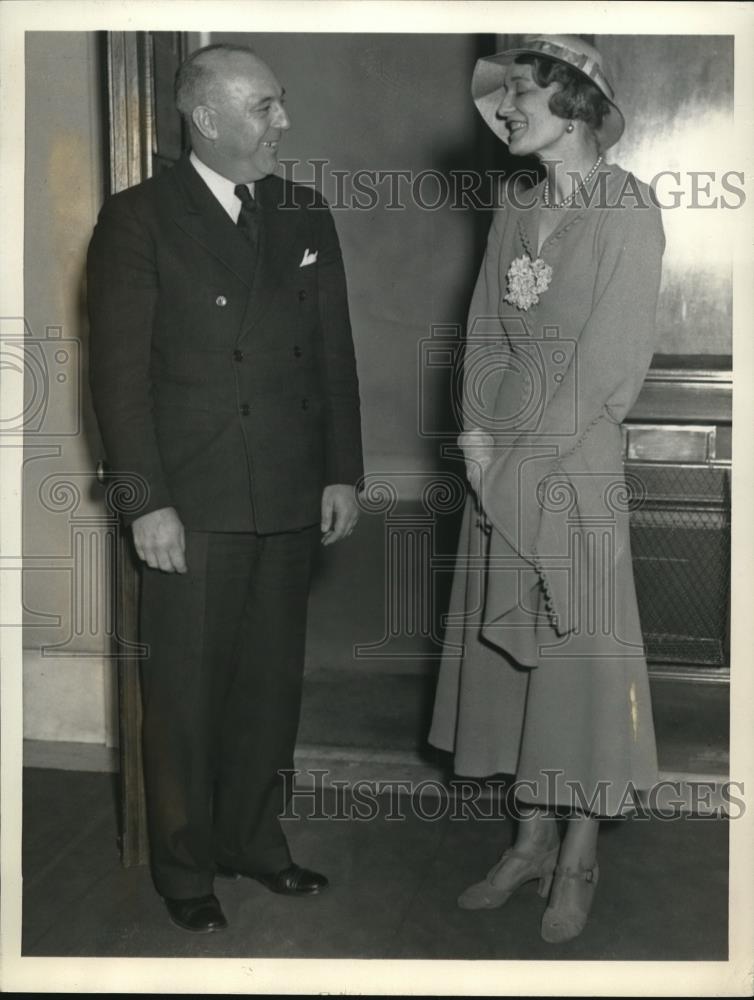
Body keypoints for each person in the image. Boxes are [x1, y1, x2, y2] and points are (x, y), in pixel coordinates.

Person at [87, 43, 363, 933]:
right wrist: (144, 500)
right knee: (186, 695)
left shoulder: (304, 212)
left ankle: (254, 840)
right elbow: (117, 380)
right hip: (191, 503)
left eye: (280, 105)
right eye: (264, 107)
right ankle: (184, 867)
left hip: (287, 492)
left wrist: (342, 472)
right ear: (205, 119)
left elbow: (334, 361)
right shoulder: (139, 220)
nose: (282, 122)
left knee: (269, 685)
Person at [429, 35, 665, 944]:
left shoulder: (627, 210)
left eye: (523, 93)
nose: (505, 110)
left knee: (578, 666)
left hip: (573, 466)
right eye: (505, 95)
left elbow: (611, 366)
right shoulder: (511, 205)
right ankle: (525, 840)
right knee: (506, 666)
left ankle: (577, 855)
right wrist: (479, 438)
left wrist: (517, 466)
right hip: (503, 460)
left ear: (573, 102)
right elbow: (483, 332)